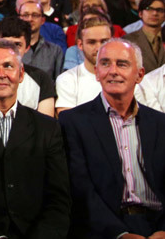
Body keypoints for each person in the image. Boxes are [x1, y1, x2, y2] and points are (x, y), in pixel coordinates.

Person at [59, 39, 165, 238]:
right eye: (105, 63)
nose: (113, 71)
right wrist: (120, 233)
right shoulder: (73, 122)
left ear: (140, 75)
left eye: (122, 64)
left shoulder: (161, 123)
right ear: (97, 72)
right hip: (103, 228)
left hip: (157, 224)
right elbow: (81, 189)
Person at [0, 39, 70, 238]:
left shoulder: (47, 128)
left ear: (21, 75)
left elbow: (58, 199)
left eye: (8, 66)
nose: (1, 74)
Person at [0, 16, 56, 117]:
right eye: (5, 44)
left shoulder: (41, 79)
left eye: (17, 45)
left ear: (27, 48)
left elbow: (45, 125)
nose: (10, 51)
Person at [56, 16, 113, 112]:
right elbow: (68, 122)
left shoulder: (126, 78)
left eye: (104, 41)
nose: (99, 48)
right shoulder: (67, 80)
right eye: (92, 42)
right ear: (80, 45)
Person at [18, 1, 64, 79]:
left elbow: (59, 81)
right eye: (25, 15)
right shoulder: (11, 50)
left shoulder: (55, 51)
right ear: (19, 18)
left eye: (35, 15)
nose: (30, 19)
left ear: (43, 20)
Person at [123, 0, 165, 73]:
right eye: (149, 9)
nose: (154, 13)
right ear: (140, 13)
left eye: (159, 10)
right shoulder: (127, 41)